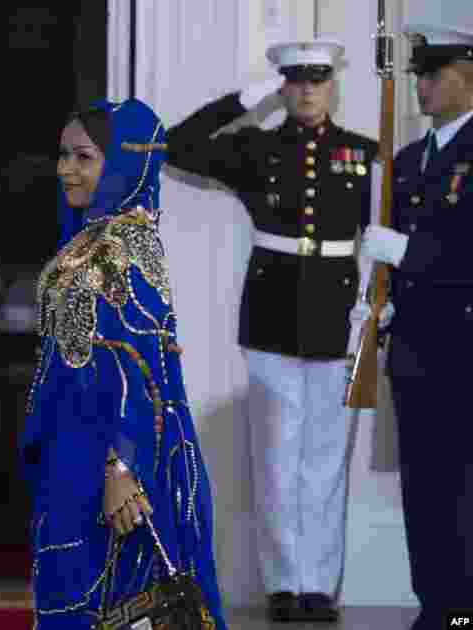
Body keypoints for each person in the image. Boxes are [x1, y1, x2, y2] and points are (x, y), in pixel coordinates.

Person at [164, 39, 378, 622]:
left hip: (339, 316)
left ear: (332, 85)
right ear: (284, 86)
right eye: (296, 80)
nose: (307, 90)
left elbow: (382, 230)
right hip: (272, 314)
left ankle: (319, 586)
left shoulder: (363, 153)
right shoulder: (255, 148)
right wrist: (246, 99)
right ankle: (283, 584)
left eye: (317, 80)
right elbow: (177, 144)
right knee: (277, 457)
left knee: (325, 461)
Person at [20, 98, 227, 630]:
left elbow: (137, 369)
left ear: (123, 165)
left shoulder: (120, 248)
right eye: (63, 155)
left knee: (111, 604)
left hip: (110, 462)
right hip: (76, 448)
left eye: (84, 157)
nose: (66, 169)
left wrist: (122, 467)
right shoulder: (92, 236)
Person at [358, 22, 473, 630]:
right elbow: (387, 260)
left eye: (433, 73)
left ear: (467, 76)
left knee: (464, 490)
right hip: (414, 352)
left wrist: (407, 253)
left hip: (465, 350)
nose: (420, 86)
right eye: (418, 74)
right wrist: (378, 304)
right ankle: (437, 605)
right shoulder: (405, 162)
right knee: (423, 490)